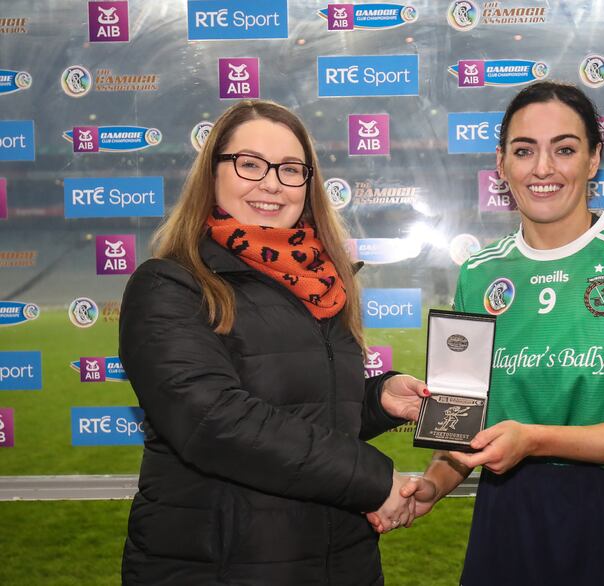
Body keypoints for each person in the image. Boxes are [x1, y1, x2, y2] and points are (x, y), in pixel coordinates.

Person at [395, 81, 604, 585]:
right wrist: (433, 484)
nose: (543, 168)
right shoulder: (479, 272)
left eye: (564, 149)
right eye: (524, 151)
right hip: (508, 517)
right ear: (501, 164)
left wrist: (535, 439)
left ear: (593, 160)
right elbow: (460, 425)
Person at [119, 99, 428, 585]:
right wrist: (373, 480)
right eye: (249, 164)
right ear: (214, 173)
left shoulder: (324, 283)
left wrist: (377, 401)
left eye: (289, 169)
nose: (270, 183)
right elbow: (215, 421)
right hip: (224, 566)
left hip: (340, 561)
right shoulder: (169, 284)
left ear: (308, 183)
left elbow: (302, 411)